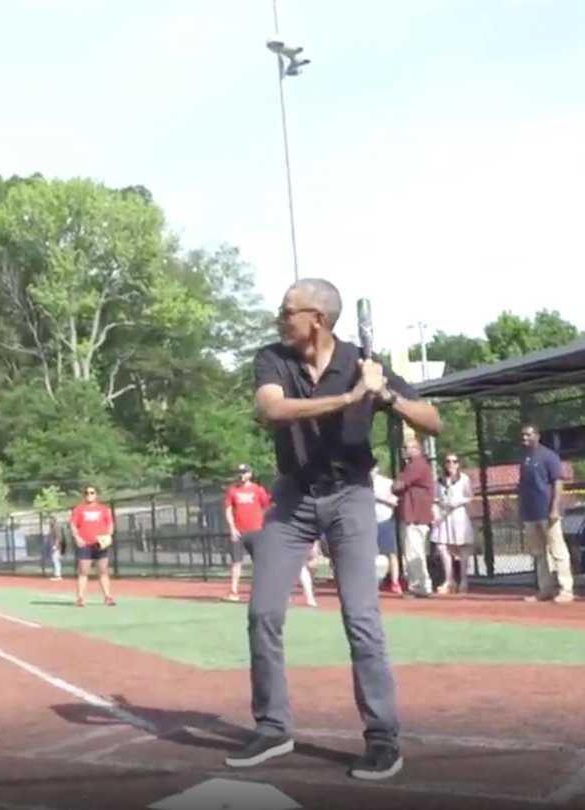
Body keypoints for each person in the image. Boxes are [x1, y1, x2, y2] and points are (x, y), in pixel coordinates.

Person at [224, 278, 441, 782]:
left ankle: (383, 736)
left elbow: (434, 422)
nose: (280, 319)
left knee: (361, 618)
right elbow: (271, 409)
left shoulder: (363, 362)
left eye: (287, 312)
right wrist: (350, 399)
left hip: (350, 497)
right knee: (262, 614)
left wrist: (384, 393)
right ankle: (273, 726)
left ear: (317, 319)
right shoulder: (274, 359)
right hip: (294, 497)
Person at [517, 424, 574, 604]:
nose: (525, 438)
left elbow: (557, 482)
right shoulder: (524, 458)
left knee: (558, 551)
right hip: (530, 513)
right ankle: (545, 589)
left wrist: (555, 508)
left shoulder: (549, 456)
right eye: (523, 435)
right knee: (539, 553)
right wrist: (521, 511)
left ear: (537, 436)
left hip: (547, 511)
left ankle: (566, 589)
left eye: (528, 435)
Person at [391, 439, 436, 598]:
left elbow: (397, 486)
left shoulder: (416, 464)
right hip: (414, 515)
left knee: (414, 552)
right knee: (414, 552)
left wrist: (398, 482)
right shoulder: (413, 465)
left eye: (406, 447)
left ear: (417, 449)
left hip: (416, 516)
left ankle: (420, 587)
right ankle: (420, 585)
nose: (403, 450)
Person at [224, 464, 272, 603]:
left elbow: (267, 506)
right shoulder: (232, 490)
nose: (241, 475)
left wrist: (265, 525)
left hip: (256, 532)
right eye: (239, 473)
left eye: (244, 472)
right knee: (236, 563)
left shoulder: (258, 490)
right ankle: (233, 592)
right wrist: (232, 528)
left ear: (250, 474)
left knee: (260, 563)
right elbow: (228, 510)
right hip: (238, 532)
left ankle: (262, 592)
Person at [434, 453, 475, 594]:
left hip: (459, 515)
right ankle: (449, 580)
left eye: (454, 461)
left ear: (458, 464)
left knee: (462, 548)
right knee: (442, 547)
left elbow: (469, 497)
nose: (451, 464)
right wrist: (437, 514)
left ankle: (464, 580)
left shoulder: (464, 479)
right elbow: (436, 499)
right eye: (448, 461)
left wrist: (457, 502)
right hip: (444, 516)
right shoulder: (439, 480)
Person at [70, 486, 116, 607]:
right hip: (85, 545)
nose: (89, 494)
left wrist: (109, 536)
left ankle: (108, 597)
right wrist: (77, 537)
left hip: (100, 544)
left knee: (103, 571)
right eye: (86, 493)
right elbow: (73, 525)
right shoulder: (79, 509)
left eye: (92, 492)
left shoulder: (104, 509)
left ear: (96, 494)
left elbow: (110, 524)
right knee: (83, 571)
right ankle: (80, 598)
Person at [372, 465, 402, 595]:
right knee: (371, 553)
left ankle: (395, 582)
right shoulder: (361, 484)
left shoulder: (386, 482)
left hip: (385, 520)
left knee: (391, 553)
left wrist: (380, 497)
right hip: (369, 522)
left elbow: (396, 501)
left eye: (372, 468)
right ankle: (374, 583)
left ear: (377, 468)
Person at [43, 514, 65, 581]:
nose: (49, 521)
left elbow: (59, 538)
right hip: (53, 547)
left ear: (54, 520)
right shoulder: (51, 527)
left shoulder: (56, 527)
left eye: (50, 520)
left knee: (56, 561)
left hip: (57, 547)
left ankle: (58, 576)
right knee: (55, 560)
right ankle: (57, 575)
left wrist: (55, 546)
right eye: (49, 520)